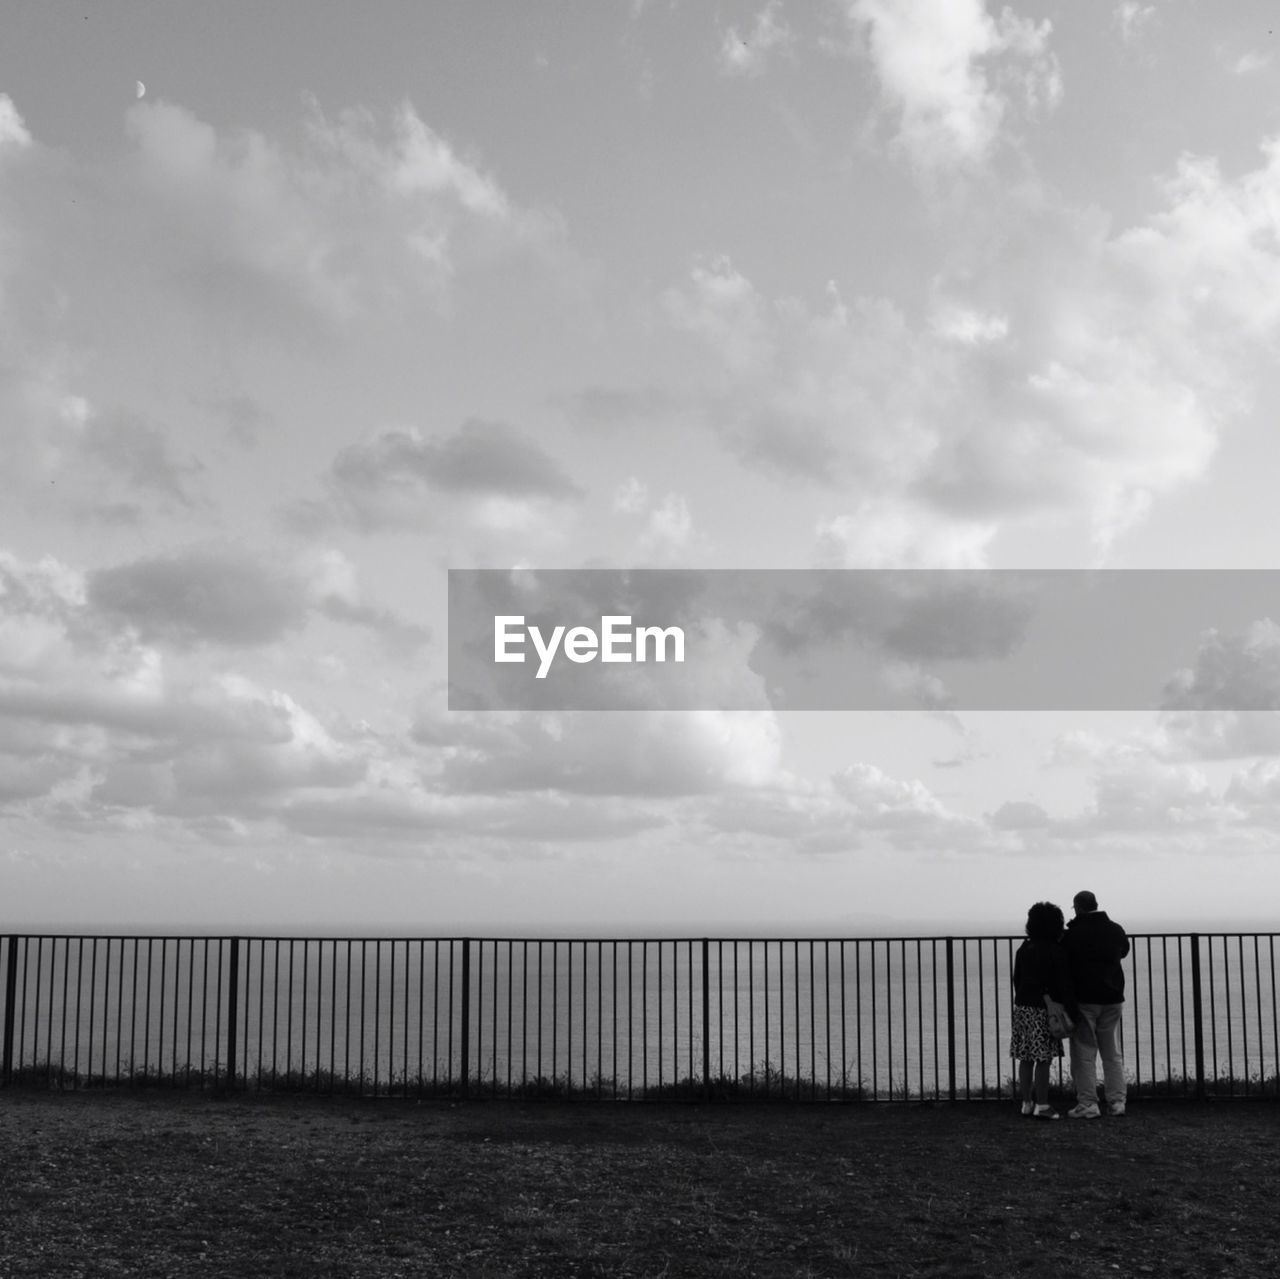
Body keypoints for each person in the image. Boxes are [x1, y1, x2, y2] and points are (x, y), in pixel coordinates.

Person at [1062, 890, 1130, 1119]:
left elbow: (1066, 962)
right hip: (1112, 998)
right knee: (1112, 1053)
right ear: (1096, 904)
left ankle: (1088, 1103)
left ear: (1078, 907)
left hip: (1085, 999)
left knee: (1084, 1053)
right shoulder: (1115, 929)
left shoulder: (1073, 934)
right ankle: (1117, 1101)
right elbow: (1124, 951)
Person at [1010, 901, 1079, 1120]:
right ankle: (1043, 1104)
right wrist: (1071, 1010)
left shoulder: (1024, 948)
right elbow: (1064, 983)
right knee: (1043, 1059)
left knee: (1026, 1057)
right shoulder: (1055, 951)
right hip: (1044, 1010)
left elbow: (1017, 979)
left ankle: (1027, 1103)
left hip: (1023, 1007)